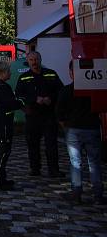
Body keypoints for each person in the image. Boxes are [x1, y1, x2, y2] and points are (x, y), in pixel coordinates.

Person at [56, 60, 103, 204]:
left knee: (75, 163)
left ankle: (76, 193)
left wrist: (66, 127)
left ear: (71, 72)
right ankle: (98, 194)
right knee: (94, 162)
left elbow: (58, 113)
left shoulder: (66, 90)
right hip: (92, 128)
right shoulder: (95, 89)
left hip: (73, 129)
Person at [15, 51, 64, 177]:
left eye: (36, 59)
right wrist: (33, 99)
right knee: (32, 144)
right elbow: (19, 95)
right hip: (33, 115)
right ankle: (35, 169)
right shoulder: (24, 77)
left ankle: (54, 170)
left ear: (40, 60)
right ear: (28, 62)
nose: (34, 62)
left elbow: (61, 91)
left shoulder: (51, 74)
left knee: (51, 144)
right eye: (31, 60)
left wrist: (50, 99)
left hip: (49, 115)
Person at [0, 60, 25, 190]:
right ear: (2, 73)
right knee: (3, 152)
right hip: (2, 123)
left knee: (1, 151)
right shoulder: (3, 87)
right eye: (8, 71)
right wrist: (22, 101)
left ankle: (0, 178)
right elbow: (11, 103)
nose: (10, 73)